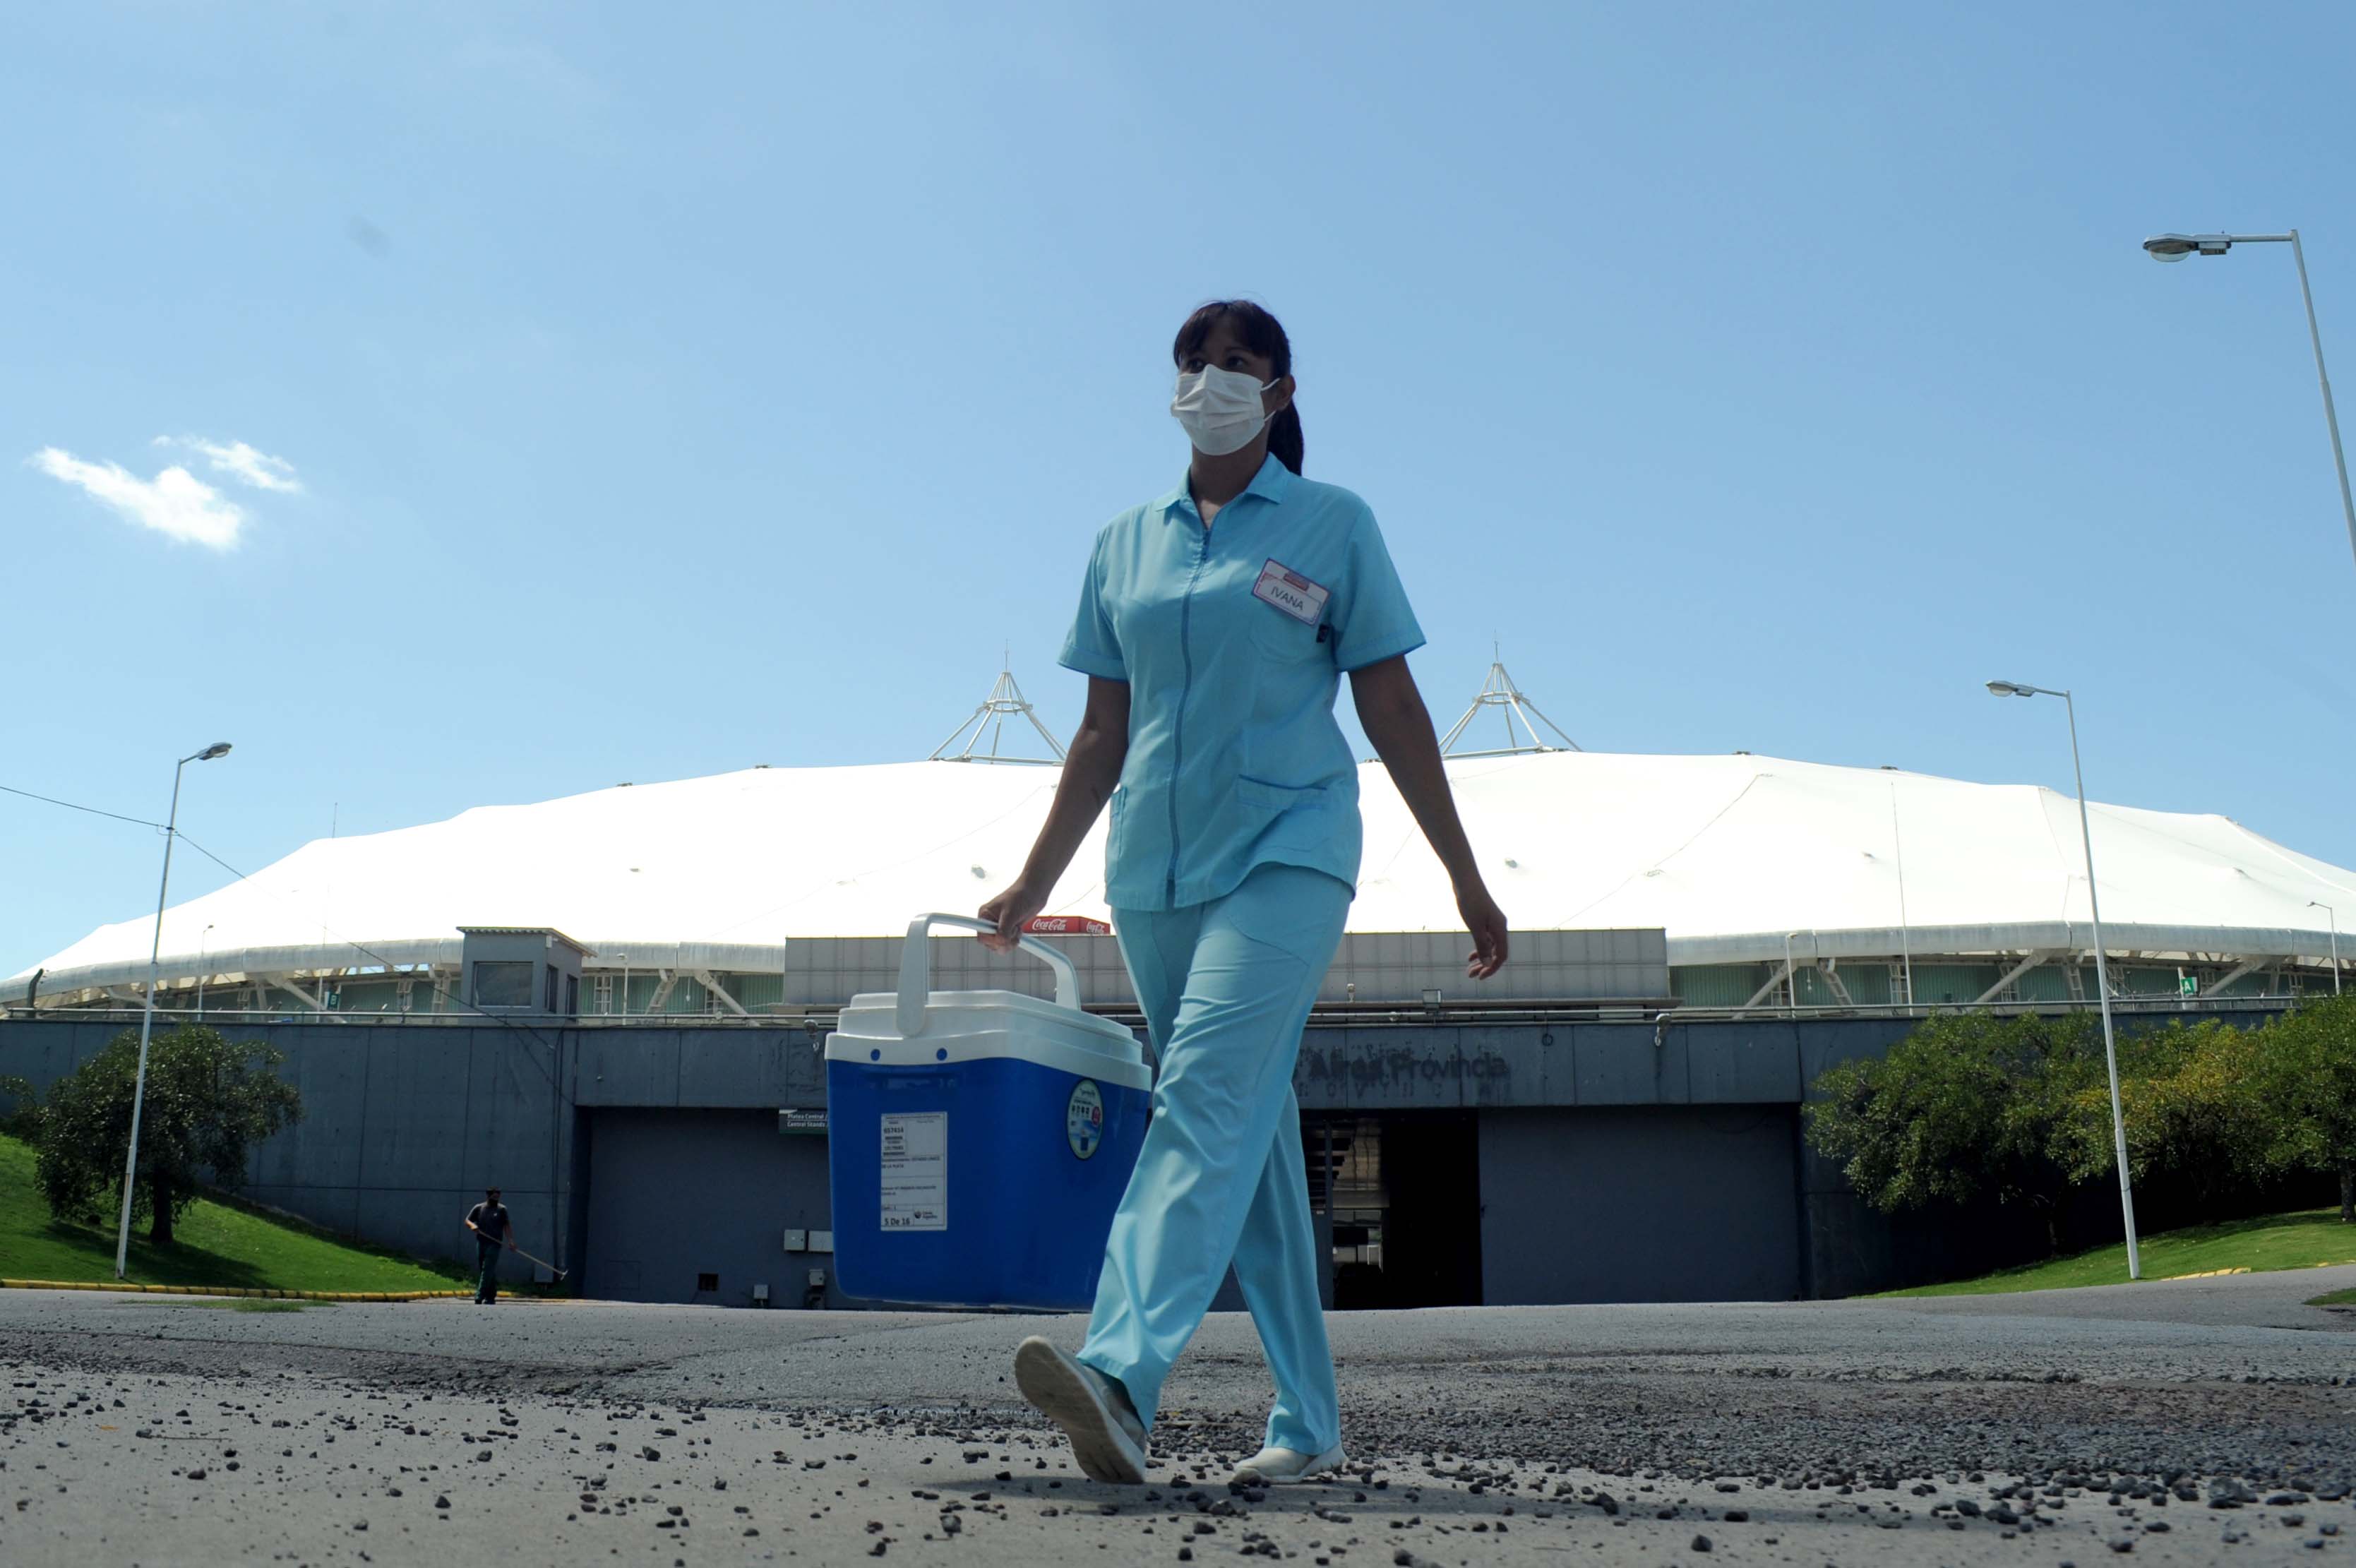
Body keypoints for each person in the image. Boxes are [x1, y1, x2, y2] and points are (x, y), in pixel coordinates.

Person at [979, 299, 1507, 1488]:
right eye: (1196, 362)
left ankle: (1120, 1376)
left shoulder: (1332, 524)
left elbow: (1393, 710)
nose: (1213, 378)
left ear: (1279, 393)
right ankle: (1308, 1420)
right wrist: (1031, 881)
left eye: (1240, 365)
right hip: (1153, 872)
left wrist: (1465, 877)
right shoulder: (1125, 542)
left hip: (1288, 848)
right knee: (1249, 1137)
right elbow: (1099, 734)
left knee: (1203, 1100)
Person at [462, 1187, 515, 1305]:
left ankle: (479, 1295)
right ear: (488, 1196)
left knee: (487, 1269)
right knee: (485, 1269)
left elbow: (507, 1226)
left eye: (498, 1195)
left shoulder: (502, 1210)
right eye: (494, 1195)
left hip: (495, 1244)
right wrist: (472, 1226)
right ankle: (491, 1296)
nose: (496, 1198)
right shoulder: (479, 1208)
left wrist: (510, 1241)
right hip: (481, 1243)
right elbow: (467, 1220)